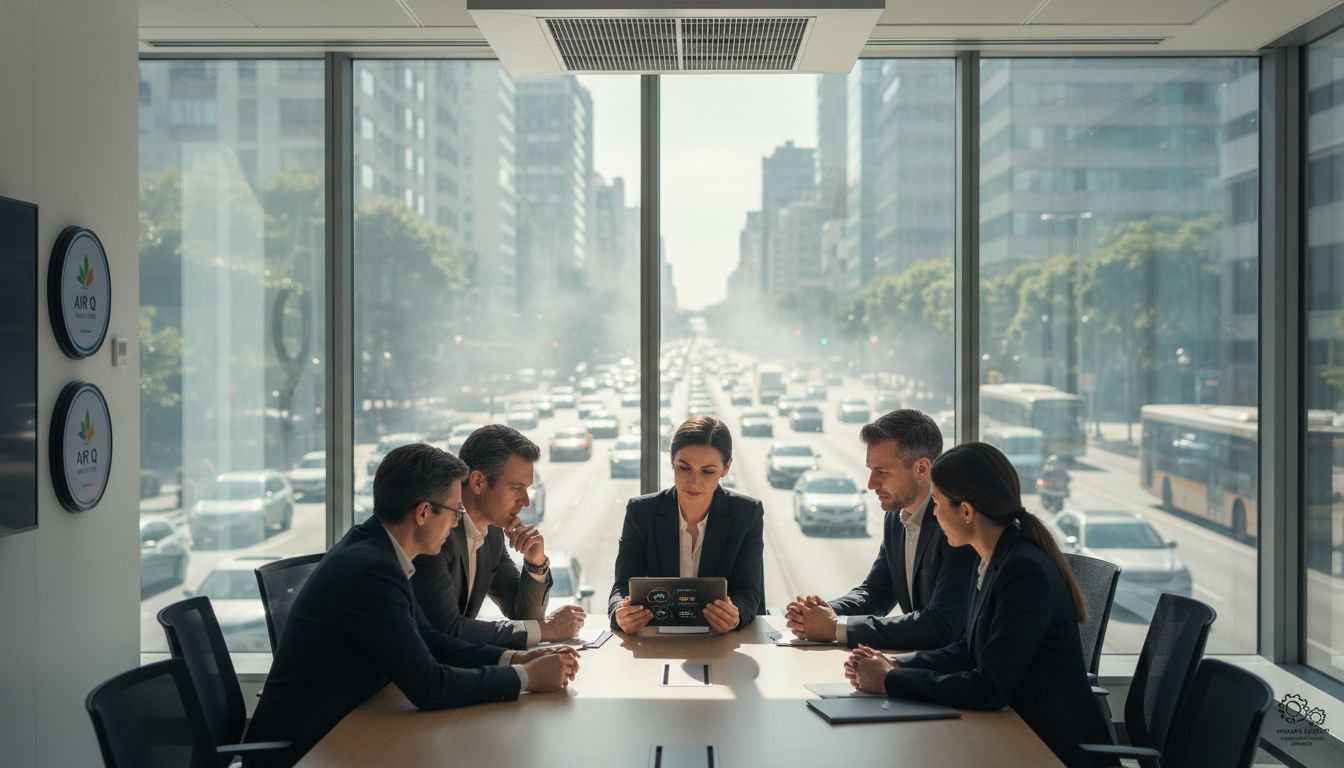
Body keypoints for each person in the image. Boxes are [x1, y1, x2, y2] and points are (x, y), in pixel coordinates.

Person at [244, 443, 579, 768]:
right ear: (422, 513)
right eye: (454, 511)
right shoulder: (372, 570)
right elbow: (429, 687)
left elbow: (431, 640)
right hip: (306, 749)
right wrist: (526, 677)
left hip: (351, 725)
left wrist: (516, 658)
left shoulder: (377, 550)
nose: (455, 523)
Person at [843, 442, 1112, 768]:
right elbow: (967, 650)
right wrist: (895, 665)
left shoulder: (1023, 571)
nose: (934, 515)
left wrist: (889, 681)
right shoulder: (994, 559)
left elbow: (988, 689)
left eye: (938, 504)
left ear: (967, 512)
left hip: (1049, 747)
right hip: (1015, 730)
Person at [784, 410, 975, 649]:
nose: (871, 483)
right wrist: (822, 612)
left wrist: (836, 628)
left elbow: (942, 625)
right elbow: (877, 592)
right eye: (870, 469)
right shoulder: (895, 516)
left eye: (882, 472)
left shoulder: (956, 526)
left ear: (922, 469)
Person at [412, 425, 585, 648]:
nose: (526, 501)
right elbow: (447, 630)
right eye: (516, 487)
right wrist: (547, 630)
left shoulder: (491, 533)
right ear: (478, 482)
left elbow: (521, 613)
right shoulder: (436, 536)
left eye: (527, 488)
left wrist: (535, 563)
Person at [608, 416, 764, 633]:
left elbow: (748, 592)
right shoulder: (641, 512)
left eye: (708, 471)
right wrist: (620, 613)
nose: (694, 481)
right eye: (684, 468)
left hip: (719, 640)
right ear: (671, 459)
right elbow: (622, 586)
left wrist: (734, 615)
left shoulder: (747, 513)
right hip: (656, 638)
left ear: (726, 467)